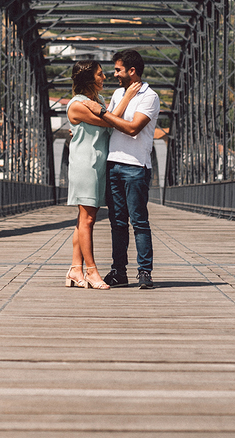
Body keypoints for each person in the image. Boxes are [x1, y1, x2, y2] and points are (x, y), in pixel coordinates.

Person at [65, 60, 140, 290]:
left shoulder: (97, 101)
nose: (104, 77)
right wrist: (127, 98)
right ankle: (91, 272)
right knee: (87, 219)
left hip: (98, 165)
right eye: (100, 74)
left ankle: (75, 269)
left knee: (83, 220)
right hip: (85, 166)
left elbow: (102, 124)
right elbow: (110, 122)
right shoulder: (77, 104)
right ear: (89, 79)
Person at [95, 49, 160, 290]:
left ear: (132, 71)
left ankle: (145, 272)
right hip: (113, 164)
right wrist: (108, 118)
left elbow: (132, 128)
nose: (114, 74)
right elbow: (110, 123)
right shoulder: (118, 93)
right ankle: (119, 272)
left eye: (118, 70)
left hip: (136, 167)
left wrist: (106, 115)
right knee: (117, 222)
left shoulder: (149, 97)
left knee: (139, 221)